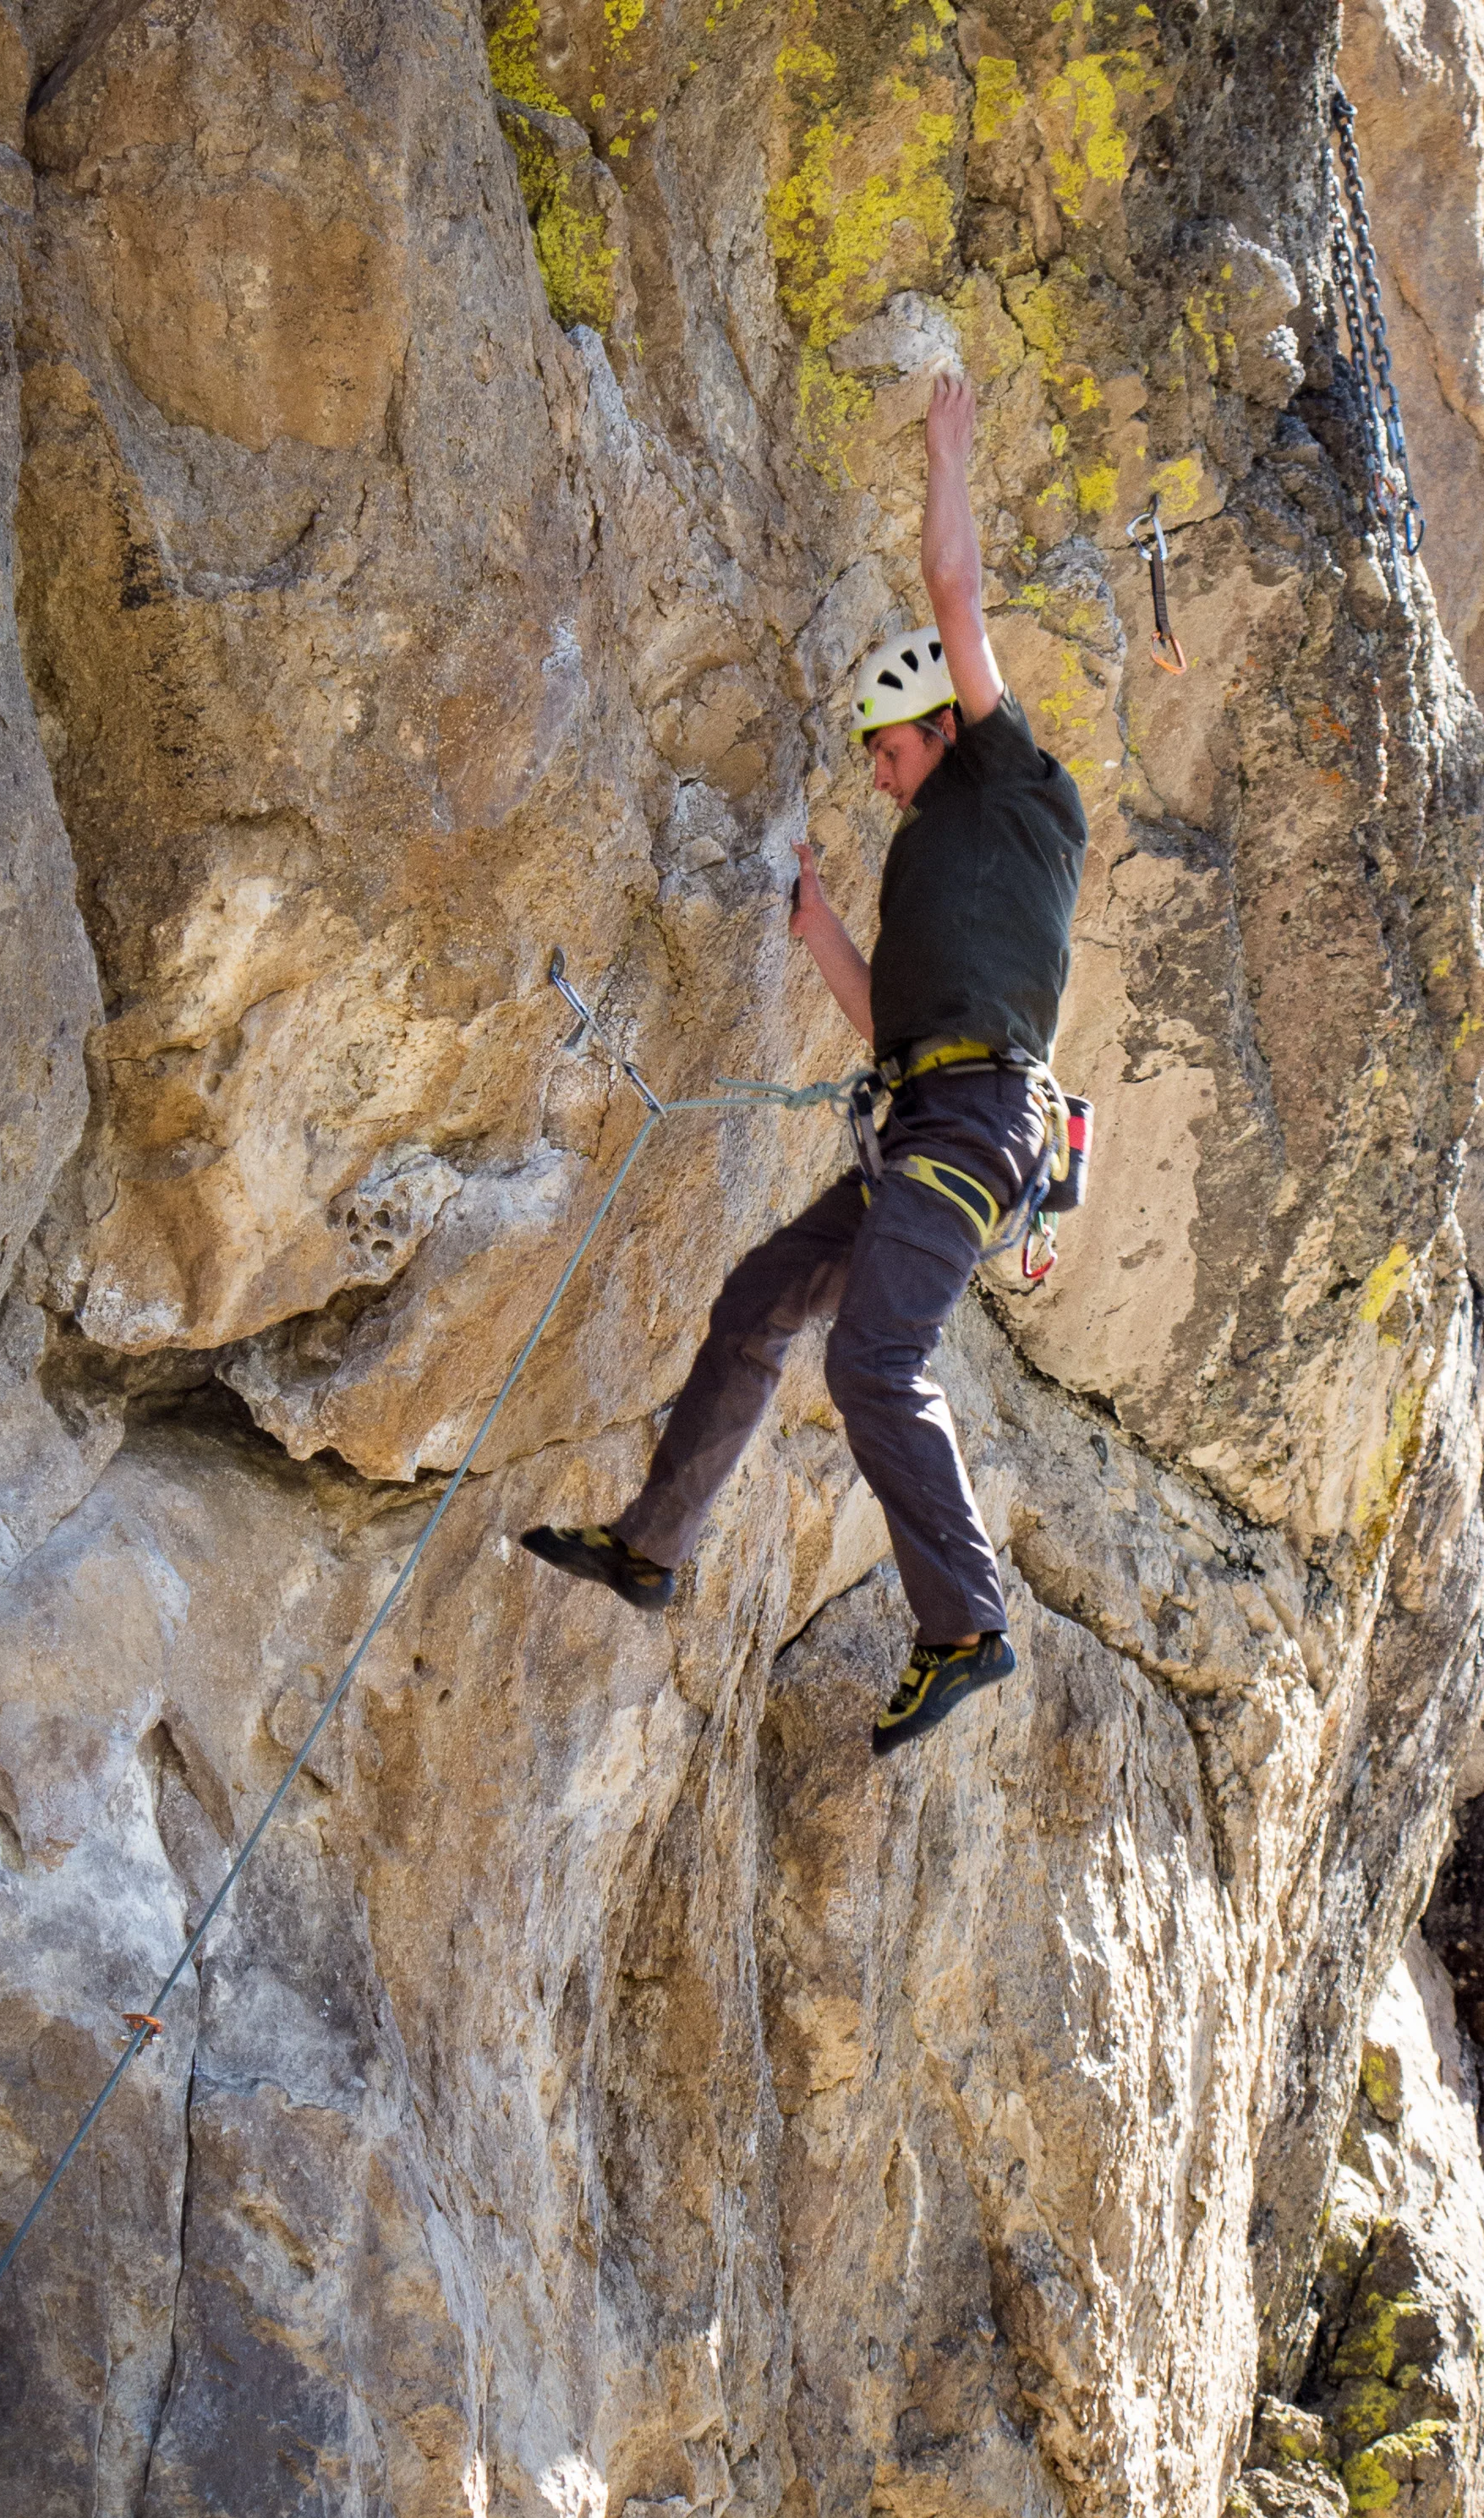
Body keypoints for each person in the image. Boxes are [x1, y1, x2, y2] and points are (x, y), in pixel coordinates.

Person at [523, 374, 1088, 1757]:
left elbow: (957, 598)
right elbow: (889, 1027)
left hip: (979, 1125)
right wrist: (824, 925)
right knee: (759, 1296)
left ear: (944, 724)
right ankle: (654, 1547)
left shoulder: (1010, 784)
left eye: (886, 751)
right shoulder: (927, 860)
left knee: (875, 1357)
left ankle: (964, 1623)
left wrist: (947, 449)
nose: (878, 776)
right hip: (923, 1118)